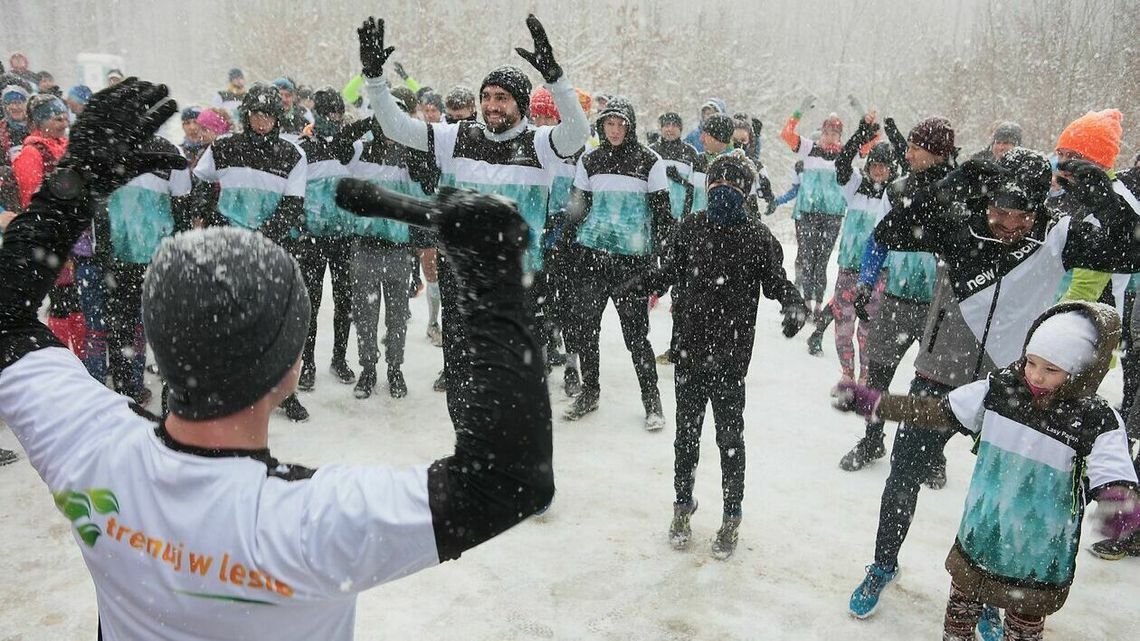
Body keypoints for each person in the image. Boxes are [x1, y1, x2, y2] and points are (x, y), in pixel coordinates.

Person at [0, 78, 554, 639]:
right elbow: (510, 483)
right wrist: (495, 277)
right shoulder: (310, 527)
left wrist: (74, 183)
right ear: (290, 367)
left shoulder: (93, 453)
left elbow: (5, 319)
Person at [848, 135, 1140, 620]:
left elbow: (1133, 251)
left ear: (1039, 210)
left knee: (998, 496)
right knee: (903, 476)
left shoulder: (1057, 239)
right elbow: (894, 228)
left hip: (1009, 387)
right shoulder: (960, 224)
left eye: (1019, 215)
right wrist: (954, 179)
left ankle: (985, 592)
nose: (1005, 225)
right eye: (997, 212)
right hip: (940, 372)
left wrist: (1103, 196)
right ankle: (882, 564)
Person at [834, 302, 1140, 641]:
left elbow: (1111, 468)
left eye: (1051, 369)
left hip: (1038, 553)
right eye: (1032, 362)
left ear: (1082, 369)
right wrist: (875, 403)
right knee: (957, 623)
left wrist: (1119, 501)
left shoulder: (1096, 420)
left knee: (1023, 630)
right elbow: (936, 411)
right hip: (981, 534)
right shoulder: (1001, 390)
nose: (1036, 375)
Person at [358, 14, 590, 424]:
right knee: (464, 377)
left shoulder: (540, 144)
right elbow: (395, 126)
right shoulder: (456, 137)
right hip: (462, 275)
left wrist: (555, 77)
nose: (491, 105)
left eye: (502, 97)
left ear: (519, 103)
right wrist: (374, 77)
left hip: (519, 279)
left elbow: (576, 132)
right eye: (487, 96)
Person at [649, 152, 806, 559]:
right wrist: (633, 282)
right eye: (717, 184)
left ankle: (731, 515)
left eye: (734, 185)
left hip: (731, 359)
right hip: (688, 353)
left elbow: (777, 281)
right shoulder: (690, 228)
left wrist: (794, 303)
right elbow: (665, 273)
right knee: (686, 437)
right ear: (707, 188)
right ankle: (682, 506)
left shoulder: (757, 237)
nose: (724, 191)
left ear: (747, 193)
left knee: (729, 439)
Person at [191, 83, 310, 421]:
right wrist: (209, 214)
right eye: (256, 115)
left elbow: (293, 205)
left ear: (278, 119)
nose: (262, 122)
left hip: (270, 248)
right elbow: (199, 183)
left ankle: (283, 392)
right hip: (227, 245)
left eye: (268, 116)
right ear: (246, 116)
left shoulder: (292, 155)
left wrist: (263, 236)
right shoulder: (224, 147)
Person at [561, 97, 671, 428]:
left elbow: (662, 215)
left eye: (620, 124)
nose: (614, 130)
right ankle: (590, 392)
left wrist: (663, 262)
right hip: (592, 255)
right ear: (601, 126)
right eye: (609, 124)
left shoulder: (650, 161)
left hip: (632, 262)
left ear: (630, 126)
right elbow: (577, 208)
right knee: (586, 328)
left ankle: (652, 402)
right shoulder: (590, 161)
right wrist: (564, 249)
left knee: (636, 336)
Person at [345, 88, 428, 399]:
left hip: (399, 249)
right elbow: (340, 144)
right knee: (365, 316)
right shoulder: (360, 150)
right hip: (365, 246)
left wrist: (418, 260)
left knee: (397, 315)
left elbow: (420, 202)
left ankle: (395, 368)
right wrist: (373, 119)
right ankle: (368, 369)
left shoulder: (410, 156)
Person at [804, 114, 892, 381]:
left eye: (884, 167)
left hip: (878, 274)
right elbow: (842, 163)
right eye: (875, 165)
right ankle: (847, 373)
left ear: (891, 169)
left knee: (867, 328)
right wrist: (859, 136)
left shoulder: (894, 196)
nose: (878, 171)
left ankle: (865, 374)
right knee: (844, 325)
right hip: (849, 269)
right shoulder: (854, 188)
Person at [294, 88, 360, 392]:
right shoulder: (303, 148)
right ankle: (307, 363)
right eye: (329, 113)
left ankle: (339, 358)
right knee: (310, 302)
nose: (335, 119)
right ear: (317, 114)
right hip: (312, 238)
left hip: (345, 237)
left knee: (345, 300)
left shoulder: (350, 147)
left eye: (338, 113)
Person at [782, 98, 850, 320]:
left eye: (835, 134)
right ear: (821, 133)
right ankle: (804, 302)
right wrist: (800, 110)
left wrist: (861, 113)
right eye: (827, 132)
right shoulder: (810, 149)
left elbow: (869, 144)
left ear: (840, 137)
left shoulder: (844, 156)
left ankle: (818, 304)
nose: (830, 137)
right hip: (808, 214)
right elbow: (787, 134)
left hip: (832, 215)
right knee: (807, 258)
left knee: (822, 262)